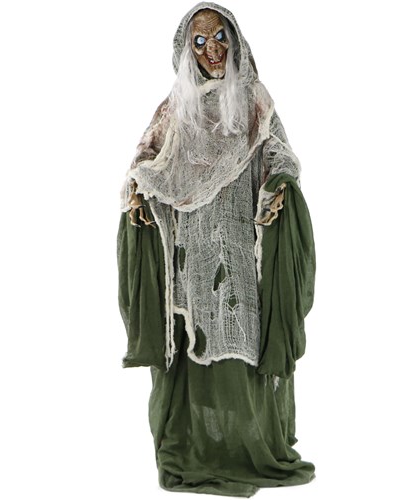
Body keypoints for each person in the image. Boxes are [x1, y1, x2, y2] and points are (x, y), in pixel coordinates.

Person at [117, 2, 316, 496]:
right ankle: (193, 446)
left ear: (236, 39)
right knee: (190, 346)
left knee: (240, 341)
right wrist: (137, 189)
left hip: (236, 251)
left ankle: (247, 445)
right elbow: (146, 158)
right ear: (187, 50)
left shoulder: (254, 101)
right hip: (188, 254)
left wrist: (279, 184)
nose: (212, 50)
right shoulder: (175, 109)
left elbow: (280, 153)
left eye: (220, 37)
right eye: (200, 41)